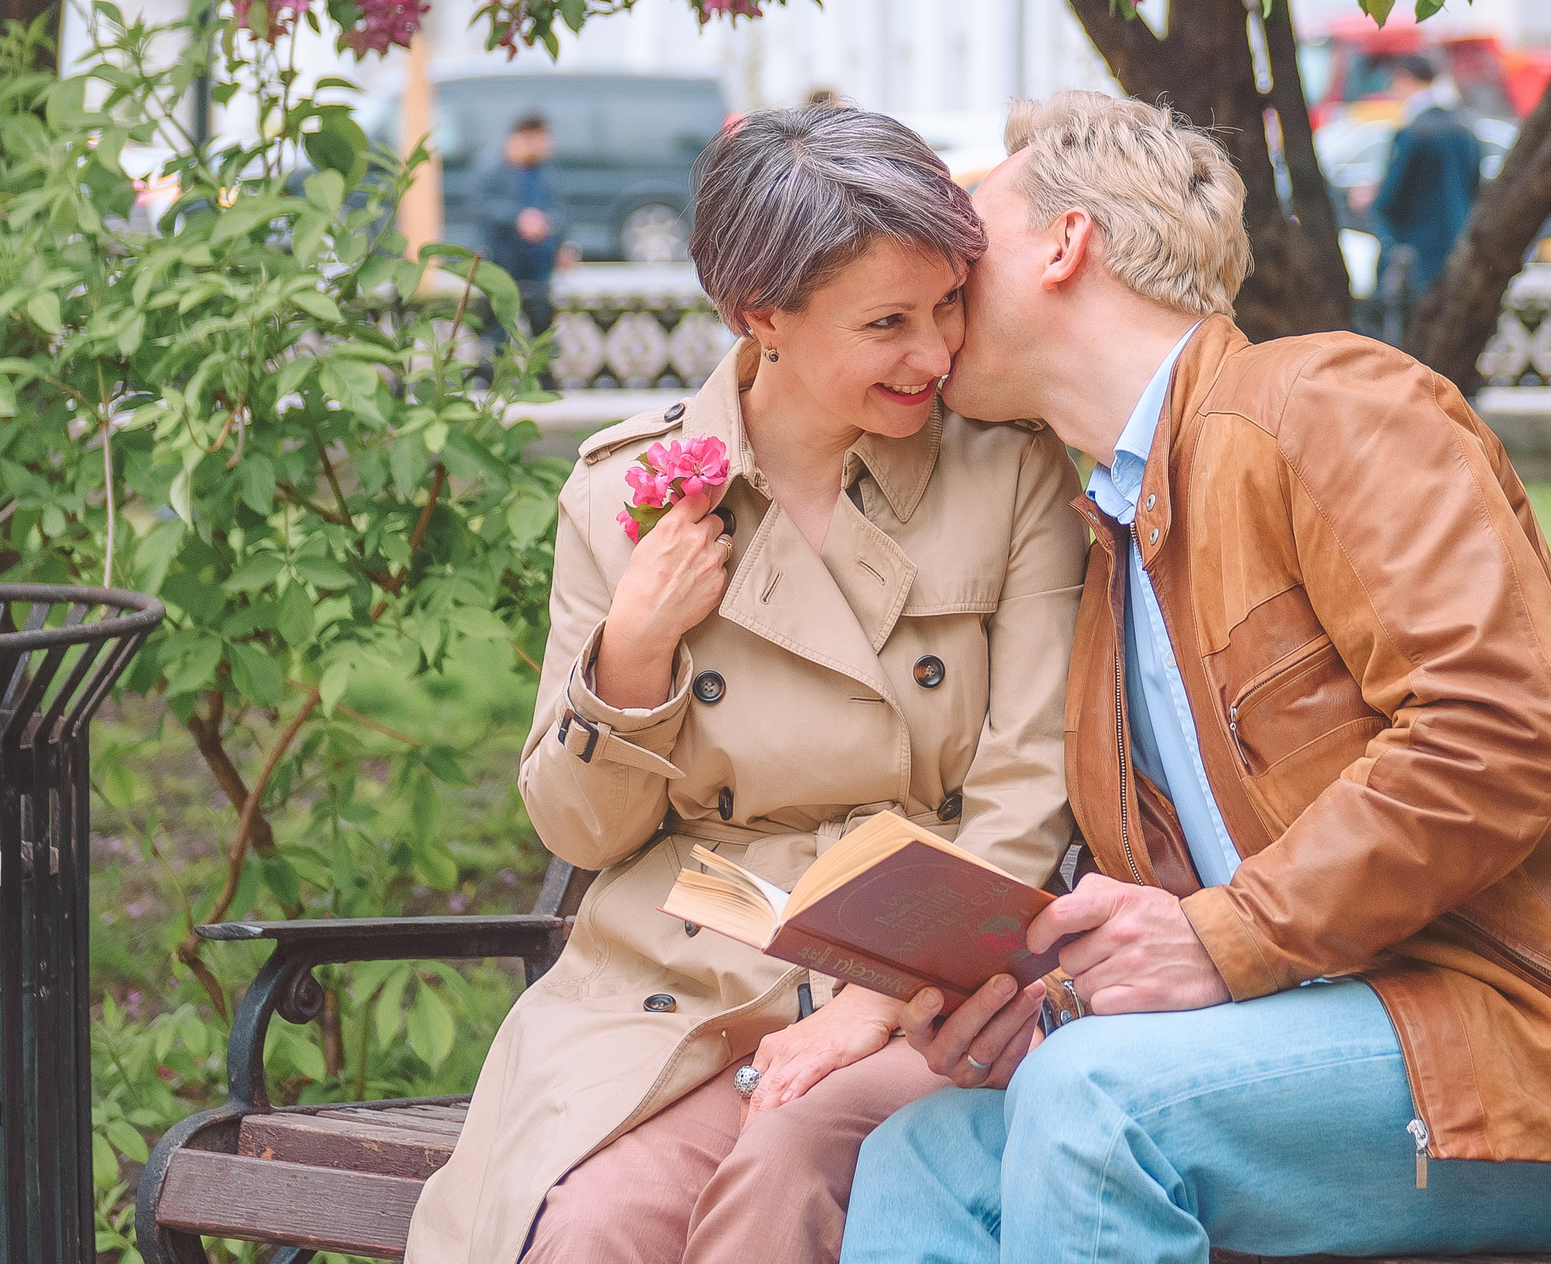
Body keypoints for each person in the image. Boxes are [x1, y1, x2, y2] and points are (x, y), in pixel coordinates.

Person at [847, 92, 1551, 1264]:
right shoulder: (1118, 530)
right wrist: (1052, 984)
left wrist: (1224, 939)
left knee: (1094, 1101)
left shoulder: (1328, 403)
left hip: (1535, 1055)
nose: (939, 279)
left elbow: (1500, 735)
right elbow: (1191, 894)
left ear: (1064, 242)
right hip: (1303, 1039)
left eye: (965, 231)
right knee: (917, 1155)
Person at [407, 105, 1090, 1264]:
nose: (933, 353)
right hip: (683, 980)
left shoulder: (1009, 470)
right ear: (759, 314)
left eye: (946, 305)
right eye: (886, 322)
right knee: (588, 1225)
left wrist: (887, 985)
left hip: (926, 972)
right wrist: (633, 651)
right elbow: (580, 827)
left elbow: (1029, 784)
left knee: (774, 1185)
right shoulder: (632, 492)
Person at [1373, 52, 1483, 293]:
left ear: (1404, 79)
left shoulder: (1413, 132)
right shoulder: (1464, 127)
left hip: (1416, 248)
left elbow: (1390, 197)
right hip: (1460, 239)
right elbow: (1475, 183)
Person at [477, 113, 578, 333]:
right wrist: (518, 218)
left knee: (542, 324)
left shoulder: (548, 173)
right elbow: (483, 207)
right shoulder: (492, 169)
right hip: (503, 260)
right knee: (498, 326)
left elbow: (562, 211)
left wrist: (565, 243)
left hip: (539, 263)